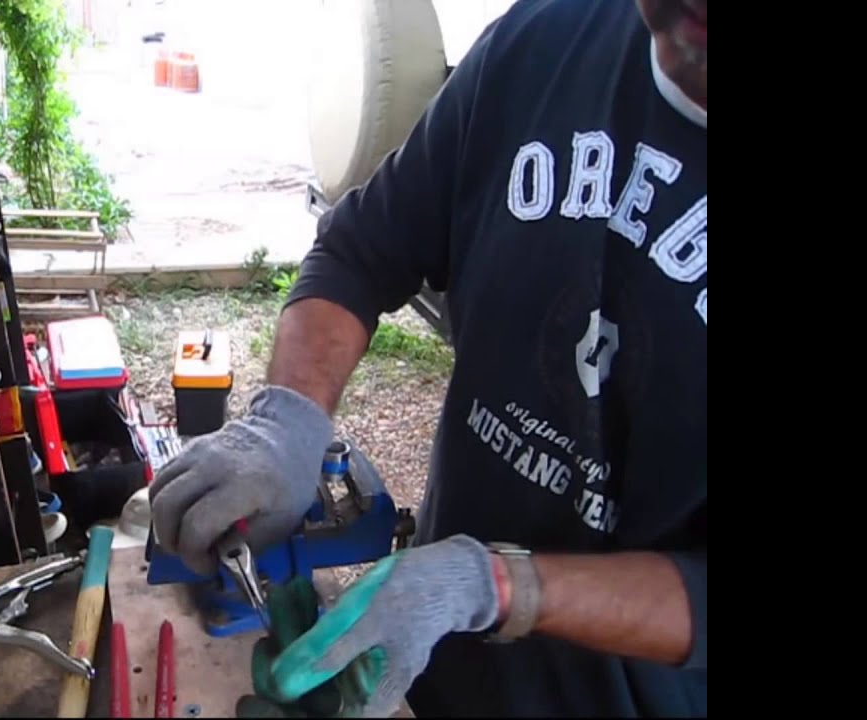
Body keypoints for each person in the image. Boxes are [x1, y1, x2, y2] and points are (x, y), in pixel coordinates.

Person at [149, 0, 706, 715]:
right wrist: (283, 422)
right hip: (431, 670)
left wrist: (498, 587)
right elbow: (361, 252)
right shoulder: (547, 35)